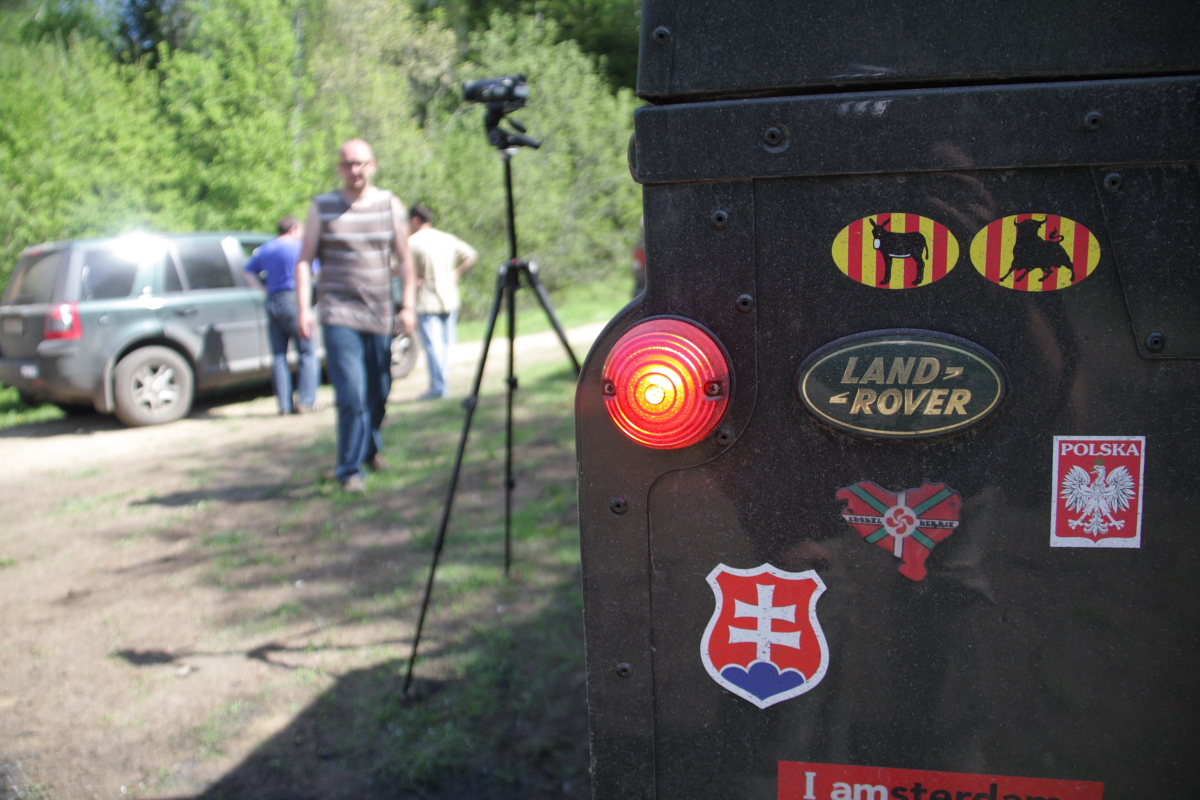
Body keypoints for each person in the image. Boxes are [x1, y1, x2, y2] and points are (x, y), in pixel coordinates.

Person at [295, 139, 416, 494]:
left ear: (373, 165)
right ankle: (349, 470)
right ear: (339, 168)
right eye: (348, 164)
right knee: (351, 393)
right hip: (338, 313)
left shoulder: (389, 204)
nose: (355, 170)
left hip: (380, 314)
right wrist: (304, 308)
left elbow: (406, 258)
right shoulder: (322, 207)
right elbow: (304, 260)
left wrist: (408, 305)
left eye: (361, 163)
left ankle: (370, 450)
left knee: (379, 391)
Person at [242, 215, 321, 415]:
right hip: (295, 299)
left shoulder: (266, 249)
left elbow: (247, 271)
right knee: (307, 352)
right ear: (293, 229)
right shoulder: (301, 247)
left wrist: (263, 289)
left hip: (272, 301)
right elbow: (316, 272)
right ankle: (306, 401)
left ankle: (284, 405)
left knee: (279, 356)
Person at [408, 203, 478, 400]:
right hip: (450, 298)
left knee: (433, 346)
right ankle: (442, 383)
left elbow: (396, 267)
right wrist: (457, 272)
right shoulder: (447, 238)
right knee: (447, 345)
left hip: (427, 299)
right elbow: (471, 255)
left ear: (415, 220)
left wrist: (412, 278)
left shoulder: (412, 242)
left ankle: (439, 387)